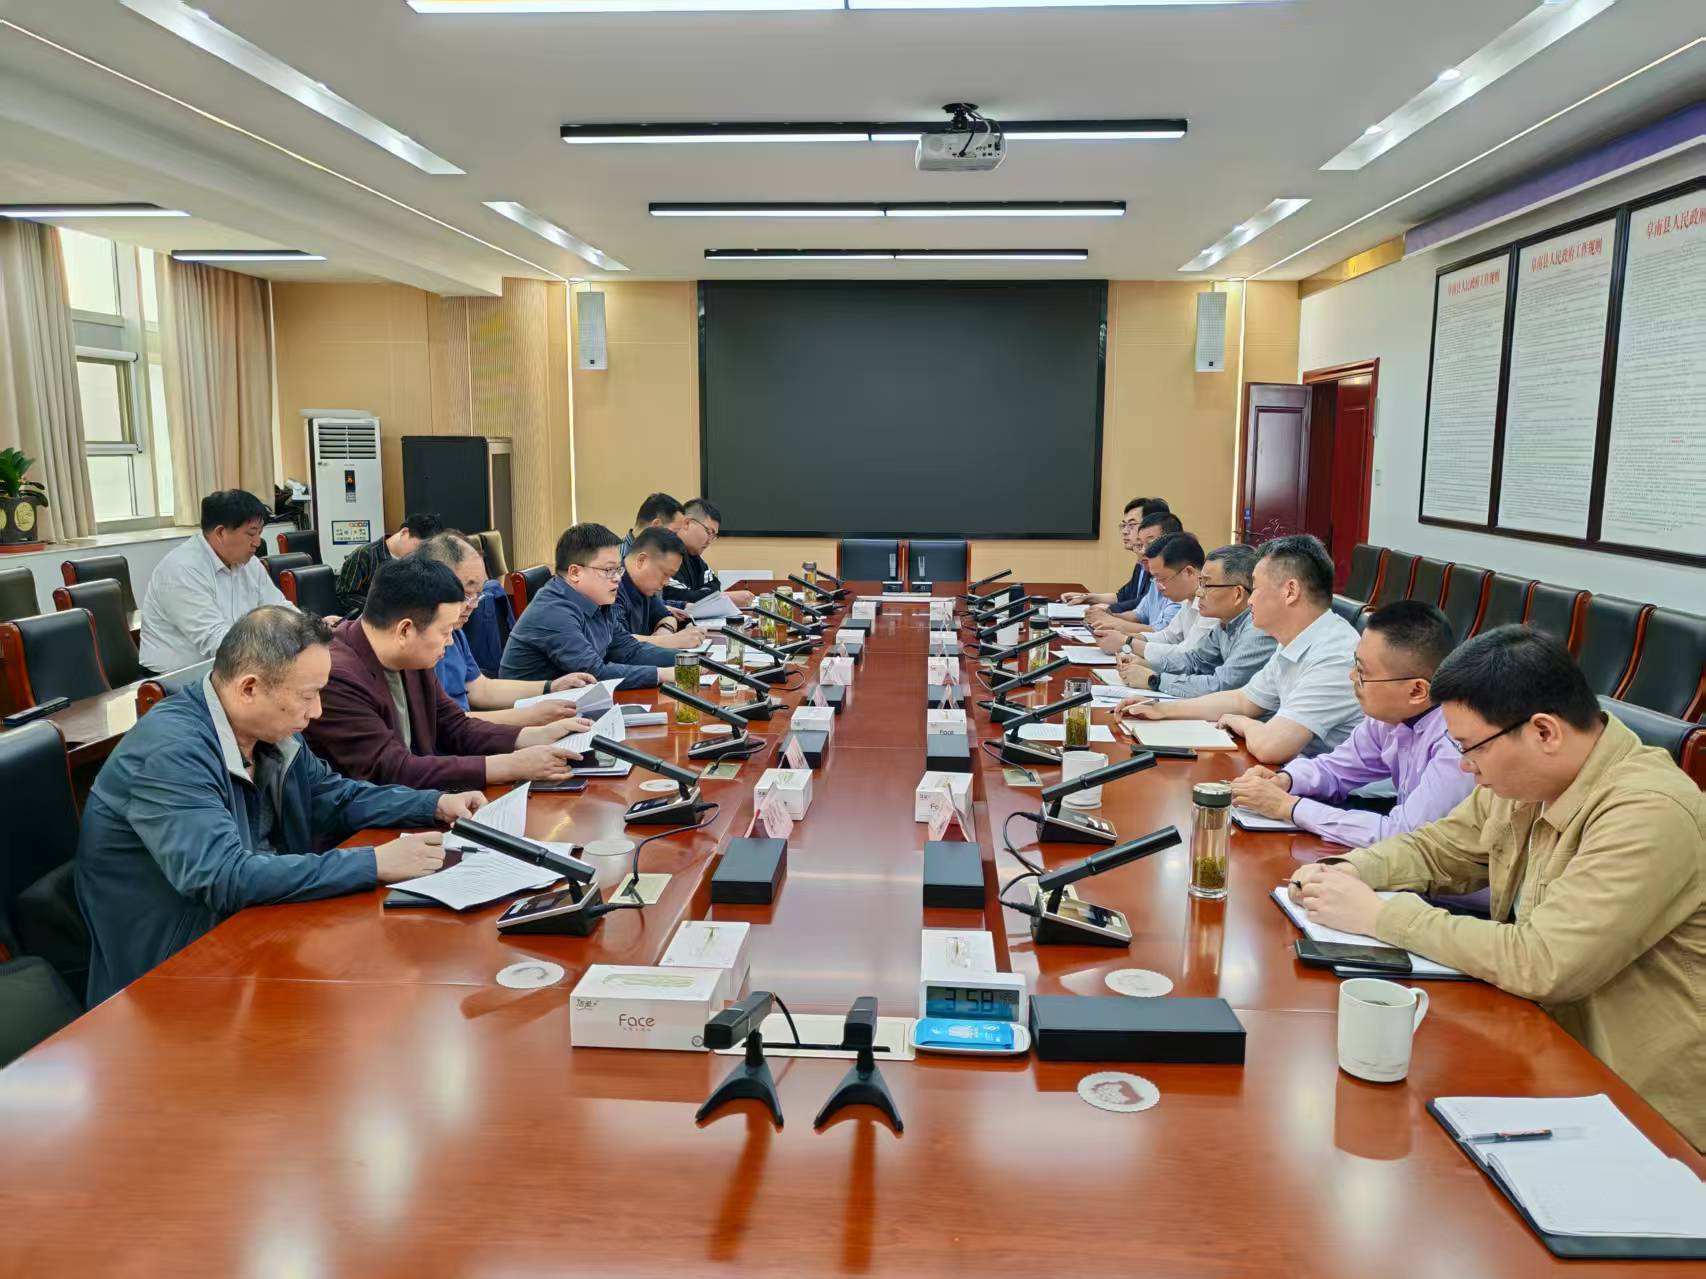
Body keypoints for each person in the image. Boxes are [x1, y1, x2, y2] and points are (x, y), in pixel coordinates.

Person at [1291, 626, 1705, 1150]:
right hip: (1542, 1049)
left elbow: (1544, 961)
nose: (1466, 767)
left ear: (1544, 732)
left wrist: (1379, 916)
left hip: (1641, 1112)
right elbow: (1439, 847)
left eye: (1470, 748)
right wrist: (1351, 870)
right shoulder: (1529, 778)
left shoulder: (1647, 812)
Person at [76, 607, 481, 1004]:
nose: (317, 711)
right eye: (308, 695)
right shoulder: (170, 753)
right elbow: (223, 875)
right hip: (175, 979)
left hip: (258, 928)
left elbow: (333, 795)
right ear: (249, 688)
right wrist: (373, 863)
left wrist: (434, 804)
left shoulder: (268, 729)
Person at [307, 557, 586, 788]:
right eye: (445, 631)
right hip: (369, 825)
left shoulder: (412, 656)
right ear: (405, 630)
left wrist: (532, 736)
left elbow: (453, 725)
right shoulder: (335, 674)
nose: (451, 641)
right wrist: (510, 765)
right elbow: (390, 769)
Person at [1231, 601, 1474, 846]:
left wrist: (1289, 807)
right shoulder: (1388, 718)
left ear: (1416, 691)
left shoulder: (1459, 743)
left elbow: (1404, 834)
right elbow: (1335, 769)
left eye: (1362, 672)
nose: (1352, 676)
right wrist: (1286, 780)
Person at [1118, 534, 1361, 762]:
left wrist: (1241, 722)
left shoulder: (1334, 655)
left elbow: (1271, 747)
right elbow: (1243, 700)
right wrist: (1161, 709)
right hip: (1295, 771)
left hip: (1339, 788)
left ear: (1290, 592)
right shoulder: (1295, 639)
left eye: (1255, 588)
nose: (1250, 599)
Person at [413, 533, 598, 723]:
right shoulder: (418, 642)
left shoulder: (455, 630)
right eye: (467, 593)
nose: (473, 605)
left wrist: (551, 687)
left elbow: (480, 688)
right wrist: (530, 716)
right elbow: (445, 724)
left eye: (478, 594)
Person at [500, 523, 680, 690]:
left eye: (618, 569)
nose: (618, 578)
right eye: (609, 570)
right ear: (575, 573)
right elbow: (595, 674)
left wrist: (688, 659)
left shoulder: (598, 601)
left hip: (573, 701)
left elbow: (630, 651)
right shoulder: (553, 611)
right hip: (533, 707)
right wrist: (663, 674)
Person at [139, 488, 294, 674]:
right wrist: (275, 651)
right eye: (251, 533)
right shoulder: (182, 569)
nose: (257, 542)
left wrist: (309, 629)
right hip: (176, 679)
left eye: (259, 533)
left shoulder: (250, 564)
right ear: (221, 533)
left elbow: (279, 608)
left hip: (231, 669)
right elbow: (216, 640)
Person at [1116, 543, 1276, 697]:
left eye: (1207, 585)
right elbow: (1194, 660)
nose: (1199, 593)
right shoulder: (1226, 622)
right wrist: (1147, 664)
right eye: (1200, 583)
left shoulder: (1258, 629)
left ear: (1238, 594)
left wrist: (1154, 680)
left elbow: (1221, 686)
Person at [1096, 532, 1214, 658]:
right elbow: (1168, 637)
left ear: (1188, 572)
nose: (1158, 587)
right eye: (1155, 579)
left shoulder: (1212, 604)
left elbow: (1190, 656)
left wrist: (1127, 643)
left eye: (1162, 579)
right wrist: (1126, 636)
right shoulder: (1188, 600)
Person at [1062, 496, 1169, 611]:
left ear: (1153, 526)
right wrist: (1087, 597)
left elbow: (1144, 603)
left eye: (1131, 525)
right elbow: (1122, 596)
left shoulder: (1162, 563)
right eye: (1123, 525)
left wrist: (1108, 609)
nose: (1124, 531)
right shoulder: (1141, 562)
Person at [1087, 511, 1183, 632]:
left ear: (1172, 543)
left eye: (1150, 544)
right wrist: (1109, 616)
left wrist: (1112, 621)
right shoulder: (1156, 578)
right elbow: (1139, 614)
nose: (1142, 551)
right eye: (1139, 545)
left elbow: (1163, 632)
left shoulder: (1181, 582)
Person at [333, 513, 445, 616]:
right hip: (369, 621)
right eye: (417, 547)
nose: (419, 553)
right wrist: (381, 607)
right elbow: (345, 596)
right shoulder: (365, 555)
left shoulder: (419, 561)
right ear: (404, 532)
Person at [615, 526, 706, 652]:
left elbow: (667, 616)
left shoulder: (643, 586)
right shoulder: (612, 586)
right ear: (641, 560)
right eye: (665, 574)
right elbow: (618, 642)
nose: (666, 582)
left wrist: (664, 632)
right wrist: (674, 640)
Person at [662, 498, 755, 609]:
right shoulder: (665, 551)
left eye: (714, 536)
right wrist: (723, 598)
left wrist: (699, 594)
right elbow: (677, 595)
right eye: (709, 532)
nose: (710, 540)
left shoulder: (695, 557)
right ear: (687, 523)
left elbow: (714, 586)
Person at [618, 492, 683, 561]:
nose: (678, 539)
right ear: (656, 526)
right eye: (675, 533)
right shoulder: (617, 559)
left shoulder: (658, 556)